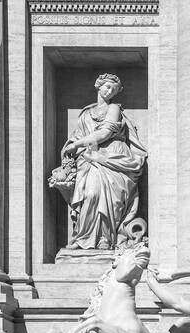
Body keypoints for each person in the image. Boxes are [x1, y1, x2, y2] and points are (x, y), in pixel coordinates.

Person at [52, 73, 147, 250]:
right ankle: (84, 238)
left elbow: (104, 134)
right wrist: (73, 147)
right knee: (90, 194)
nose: (109, 91)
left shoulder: (114, 109)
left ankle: (106, 238)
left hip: (112, 156)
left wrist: (77, 145)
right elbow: (78, 136)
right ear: (98, 85)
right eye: (107, 87)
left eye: (114, 89)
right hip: (90, 157)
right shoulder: (86, 113)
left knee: (111, 199)